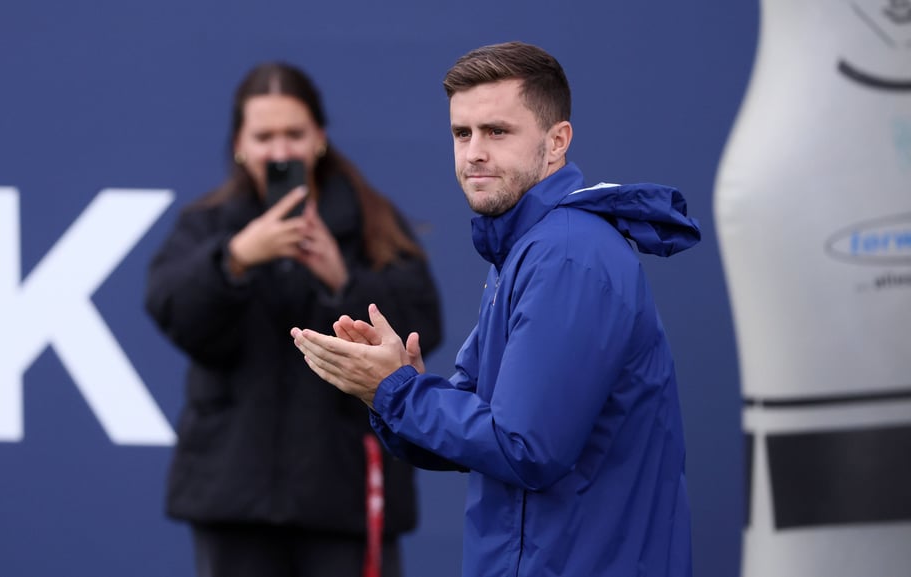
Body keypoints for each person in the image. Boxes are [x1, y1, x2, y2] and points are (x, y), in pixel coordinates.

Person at [291, 41, 700, 577]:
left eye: (497, 132)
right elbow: (482, 428)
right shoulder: (531, 246)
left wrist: (399, 390)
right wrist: (394, 390)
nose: (474, 152)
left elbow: (524, 448)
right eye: (462, 133)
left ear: (557, 143)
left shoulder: (568, 254)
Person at [145, 61, 443, 577]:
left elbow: (423, 327)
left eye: (294, 134)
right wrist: (234, 259)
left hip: (345, 491)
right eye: (264, 136)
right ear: (240, 143)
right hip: (233, 496)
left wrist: (340, 279)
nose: (280, 151)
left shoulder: (373, 221)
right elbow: (173, 313)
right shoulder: (209, 226)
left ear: (319, 139)